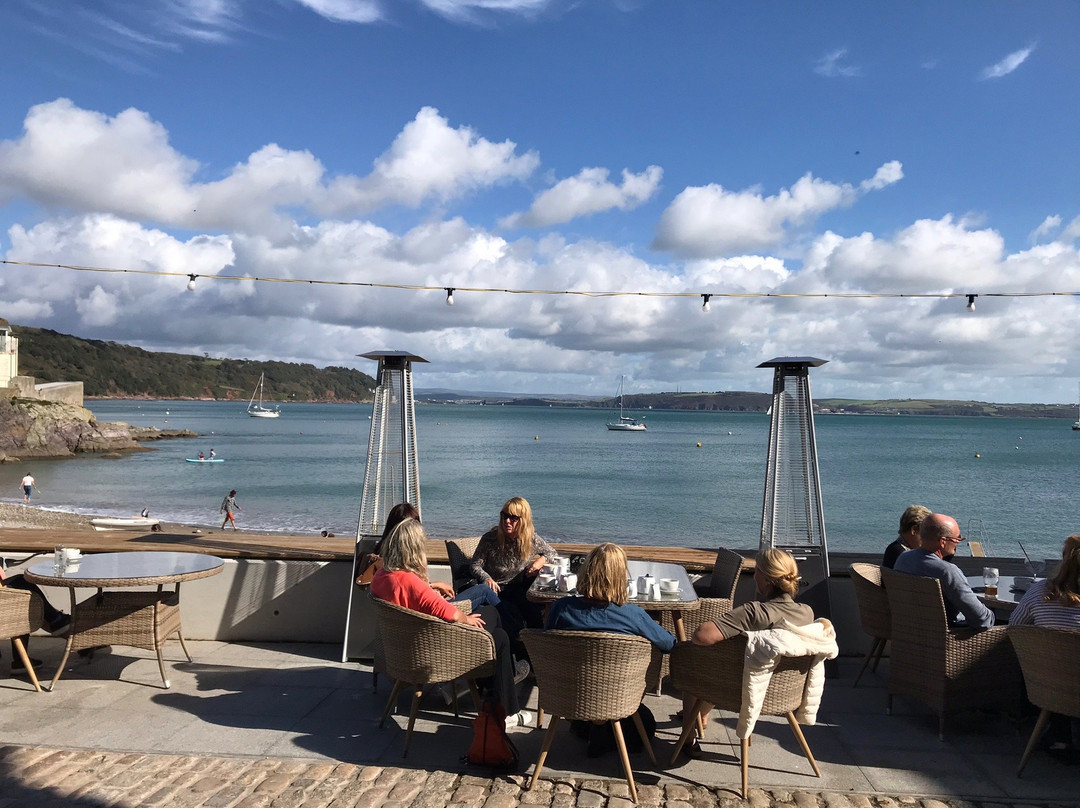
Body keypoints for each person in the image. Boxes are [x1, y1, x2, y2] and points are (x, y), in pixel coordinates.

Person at [370, 518, 529, 727]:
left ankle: (491, 691)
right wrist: (467, 618)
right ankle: (503, 704)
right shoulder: (410, 581)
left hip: (405, 648)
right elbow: (451, 614)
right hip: (433, 651)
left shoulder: (382, 575)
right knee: (496, 626)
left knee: (494, 625)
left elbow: (419, 602)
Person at [685, 547, 815, 731]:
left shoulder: (754, 613)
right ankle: (702, 713)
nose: (754, 576)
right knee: (732, 660)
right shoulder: (807, 613)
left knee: (694, 657)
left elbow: (701, 635)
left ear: (766, 578)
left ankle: (688, 738)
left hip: (746, 687)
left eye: (757, 571)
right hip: (784, 692)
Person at [1011, 534, 1080, 759]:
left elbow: (1015, 627)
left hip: (1048, 688)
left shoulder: (1039, 591)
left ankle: (1058, 735)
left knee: (1062, 664)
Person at [357, 503, 499, 608]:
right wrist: (436, 586)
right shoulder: (395, 561)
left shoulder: (385, 561)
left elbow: (408, 590)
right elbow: (412, 590)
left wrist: (432, 586)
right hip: (431, 613)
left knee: (483, 609)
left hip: (420, 609)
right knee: (484, 591)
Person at [545, 542, 675, 651]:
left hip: (566, 678)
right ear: (620, 578)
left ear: (586, 572)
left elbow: (546, 643)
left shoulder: (561, 608)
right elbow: (669, 645)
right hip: (624, 681)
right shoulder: (633, 615)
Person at [470, 496, 555, 638]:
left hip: (518, 587)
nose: (507, 521)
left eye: (513, 518)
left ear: (523, 520)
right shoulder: (490, 539)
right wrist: (486, 578)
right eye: (504, 516)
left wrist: (540, 561)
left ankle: (538, 647)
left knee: (533, 612)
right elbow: (475, 565)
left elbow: (552, 552)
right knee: (511, 613)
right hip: (495, 589)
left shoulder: (531, 539)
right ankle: (516, 647)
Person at [893, 512, 994, 629]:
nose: (958, 542)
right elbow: (982, 621)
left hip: (909, 631)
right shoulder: (947, 572)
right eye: (957, 539)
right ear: (943, 542)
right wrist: (993, 612)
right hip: (947, 637)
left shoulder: (903, 558)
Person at [883, 505, 931, 569]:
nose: (928, 539)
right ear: (914, 530)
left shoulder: (895, 548)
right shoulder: (901, 554)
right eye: (926, 534)